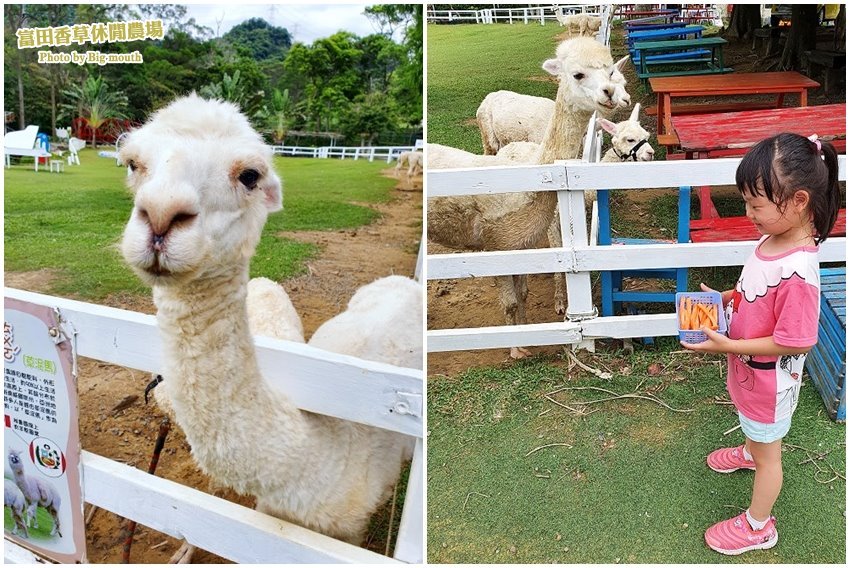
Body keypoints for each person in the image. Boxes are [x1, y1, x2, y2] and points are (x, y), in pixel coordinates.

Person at [682, 133, 841, 555]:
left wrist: (727, 347)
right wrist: (730, 299)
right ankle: (751, 450)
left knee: (772, 457)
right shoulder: (774, 239)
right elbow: (759, 292)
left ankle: (758, 526)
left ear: (798, 201)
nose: (748, 213)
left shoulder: (799, 272)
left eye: (756, 204)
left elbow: (798, 341)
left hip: (770, 383)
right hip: (752, 373)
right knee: (754, 426)